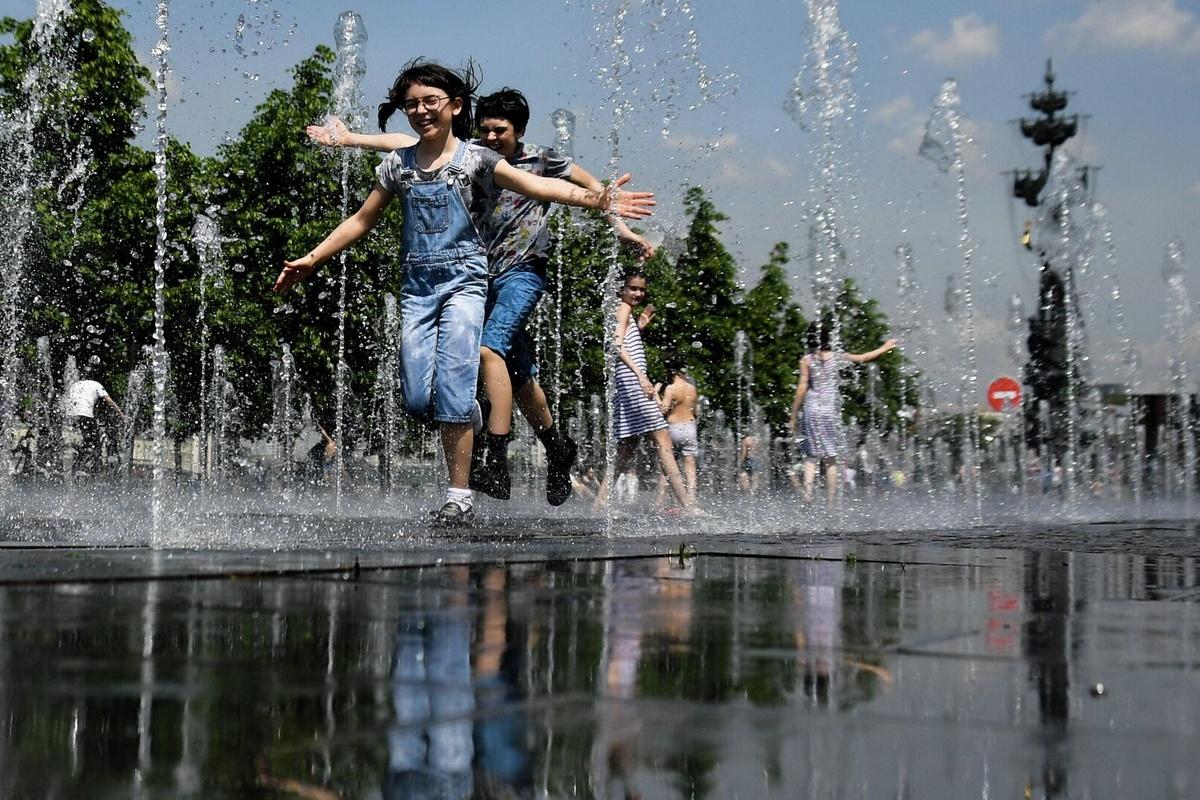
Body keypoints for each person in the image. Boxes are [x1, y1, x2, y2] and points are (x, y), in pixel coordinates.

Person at [275, 60, 654, 525]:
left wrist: (595, 200)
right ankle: (472, 418)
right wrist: (312, 258)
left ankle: (460, 497)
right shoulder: (400, 164)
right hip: (417, 288)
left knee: (468, 369)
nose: (420, 111)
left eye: (430, 102)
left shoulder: (478, 160)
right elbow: (363, 216)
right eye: (411, 104)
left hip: (468, 282)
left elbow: (537, 183)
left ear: (455, 107)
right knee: (417, 400)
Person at [593, 270, 694, 512]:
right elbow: (617, 346)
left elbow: (624, 339)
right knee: (663, 439)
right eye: (633, 288)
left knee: (627, 447)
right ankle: (688, 505)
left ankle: (599, 505)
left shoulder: (624, 312)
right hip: (633, 381)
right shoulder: (623, 309)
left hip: (627, 382)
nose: (638, 293)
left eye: (642, 289)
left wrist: (639, 327)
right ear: (621, 289)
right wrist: (641, 376)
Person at [788, 320, 897, 505]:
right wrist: (884, 348)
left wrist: (793, 414)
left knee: (811, 455)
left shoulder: (806, 360)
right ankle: (831, 502)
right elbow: (864, 358)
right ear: (829, 337)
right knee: (831, 458)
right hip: (829, 410)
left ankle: (807, 492)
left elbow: (802, 387)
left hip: (812, 409)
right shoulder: (837, 357)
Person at [656, 357, 699, 505]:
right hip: (690, 428)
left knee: (667, 466)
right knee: (690, 464)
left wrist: (655, 394)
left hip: (673, 428)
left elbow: (663, 410)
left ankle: (660, 502)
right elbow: (696, 412)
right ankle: (691, 499)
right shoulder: (692, 388)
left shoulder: (671, 389)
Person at [63, 375, 127, 476]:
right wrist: (122, 415)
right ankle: (83, 468)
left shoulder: (76, 384)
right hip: (85, 415)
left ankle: (78, 465)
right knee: (95, 444)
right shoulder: (97, 385)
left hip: (70, 415)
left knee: (87, 441)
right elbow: (109, 401)